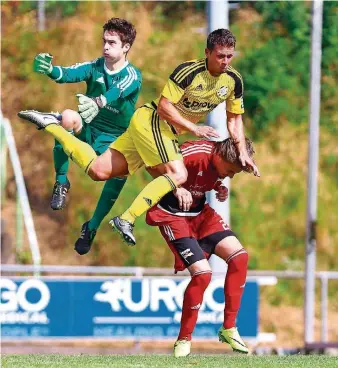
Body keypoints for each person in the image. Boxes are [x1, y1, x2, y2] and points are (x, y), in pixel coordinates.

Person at [18, 28, 259, 247]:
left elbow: (234, 118)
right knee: (178, 174)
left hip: (156, 130)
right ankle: (126, 219)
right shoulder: (188, 72)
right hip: (154, 121)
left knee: (99, 171)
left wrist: (243, 152)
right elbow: (165, 107)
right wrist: (194, 129)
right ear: (207, 52)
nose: (226, 61)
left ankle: (53, 125)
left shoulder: (233, 81)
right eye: (220, 56)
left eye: (230, 56)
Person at [30, 18, 141, 255]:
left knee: (114, 177)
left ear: (126, 47)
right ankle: (61, 181)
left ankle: (91, 227)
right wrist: (51, 70)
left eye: (112, 42)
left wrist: (99, 101)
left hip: (116, 140)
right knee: (67, 117)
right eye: (104, 41)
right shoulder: (95, 66)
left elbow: (118, 90)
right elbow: (68, 73)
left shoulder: (133, 75)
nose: (106, 47)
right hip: (89, 129)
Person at [145, 137, 255, 357]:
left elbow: (206, 177)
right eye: (231, 171)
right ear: (221, 156)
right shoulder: (194, 152)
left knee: (240, 257)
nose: (230, 176)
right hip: (172, 216)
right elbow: (153, 165)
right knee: (203, 274)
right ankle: (183, 340)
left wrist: (218, 187)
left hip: (200, 214)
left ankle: (229, 328)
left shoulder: (219, 164)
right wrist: (175, 188)